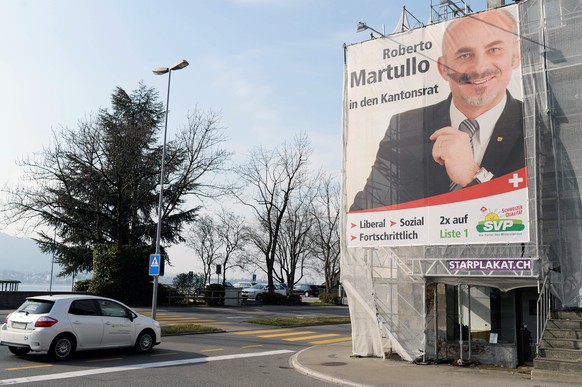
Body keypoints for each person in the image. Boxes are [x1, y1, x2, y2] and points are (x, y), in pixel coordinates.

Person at [350, 9, 524, 211]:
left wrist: (473, 176)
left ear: (516, 56)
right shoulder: (405, 126)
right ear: (443, 68)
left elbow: (546, 215)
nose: (479, 67)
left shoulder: (538, 125)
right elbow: (366, 212)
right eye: (464, 55)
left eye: (494, 50)